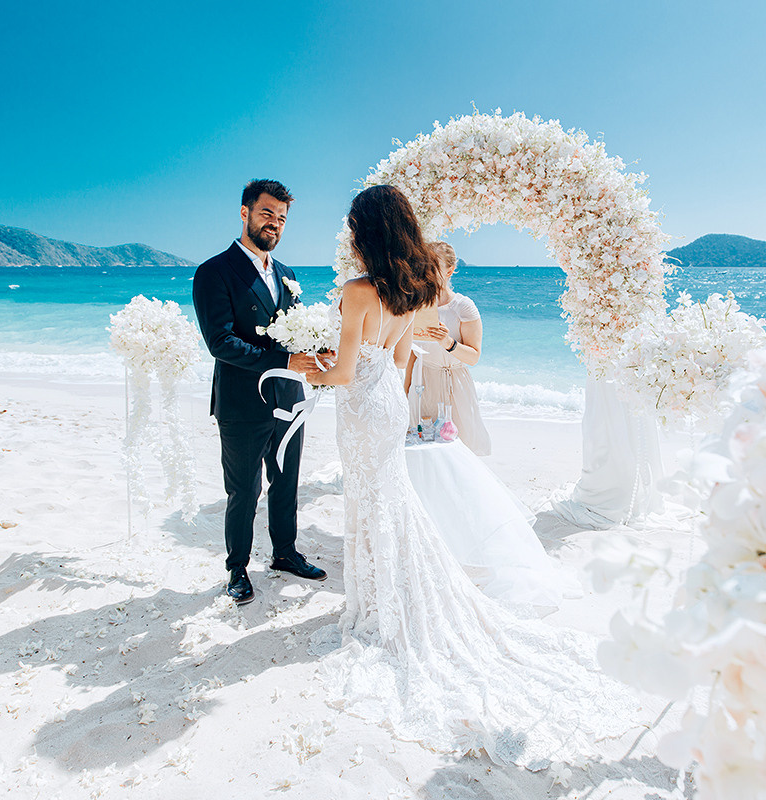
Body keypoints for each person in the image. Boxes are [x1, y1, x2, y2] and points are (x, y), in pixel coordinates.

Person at [302, 185, 643, 769]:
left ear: (365, 231)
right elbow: (404, 361)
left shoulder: (357, 290)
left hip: (362, 405)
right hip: (389, 402)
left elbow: (343, 371)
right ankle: (393, 594)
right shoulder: (415, 290)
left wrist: (305, 366)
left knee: (370, 502)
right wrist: (384, 397)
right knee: (391, 500)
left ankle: (381, 602)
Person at [191, 179, 328, 606]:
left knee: (287, 481)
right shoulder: (214, 271)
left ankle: (285, 553)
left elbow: (292, 332)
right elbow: (221, 342)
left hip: (288, 397)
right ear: (245, 212)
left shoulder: (286, 274)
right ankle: (237, 568)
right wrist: (284, 362)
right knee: (244, 490)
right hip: (242, 400)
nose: (274, 224)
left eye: (282, 218)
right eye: (267, 213)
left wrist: (315, 349)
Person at [404, 241, 492, 455]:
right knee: (424, 445)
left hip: (456, 384)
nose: (427, 271)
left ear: (450, 270)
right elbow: (411, 355)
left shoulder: (463, 306)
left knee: (461, 449)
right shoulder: (415, 305)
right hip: (423, 381)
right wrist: (404, 392)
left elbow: (474, 357)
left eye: (433, 266)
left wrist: (448, 343)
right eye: (423, 265)